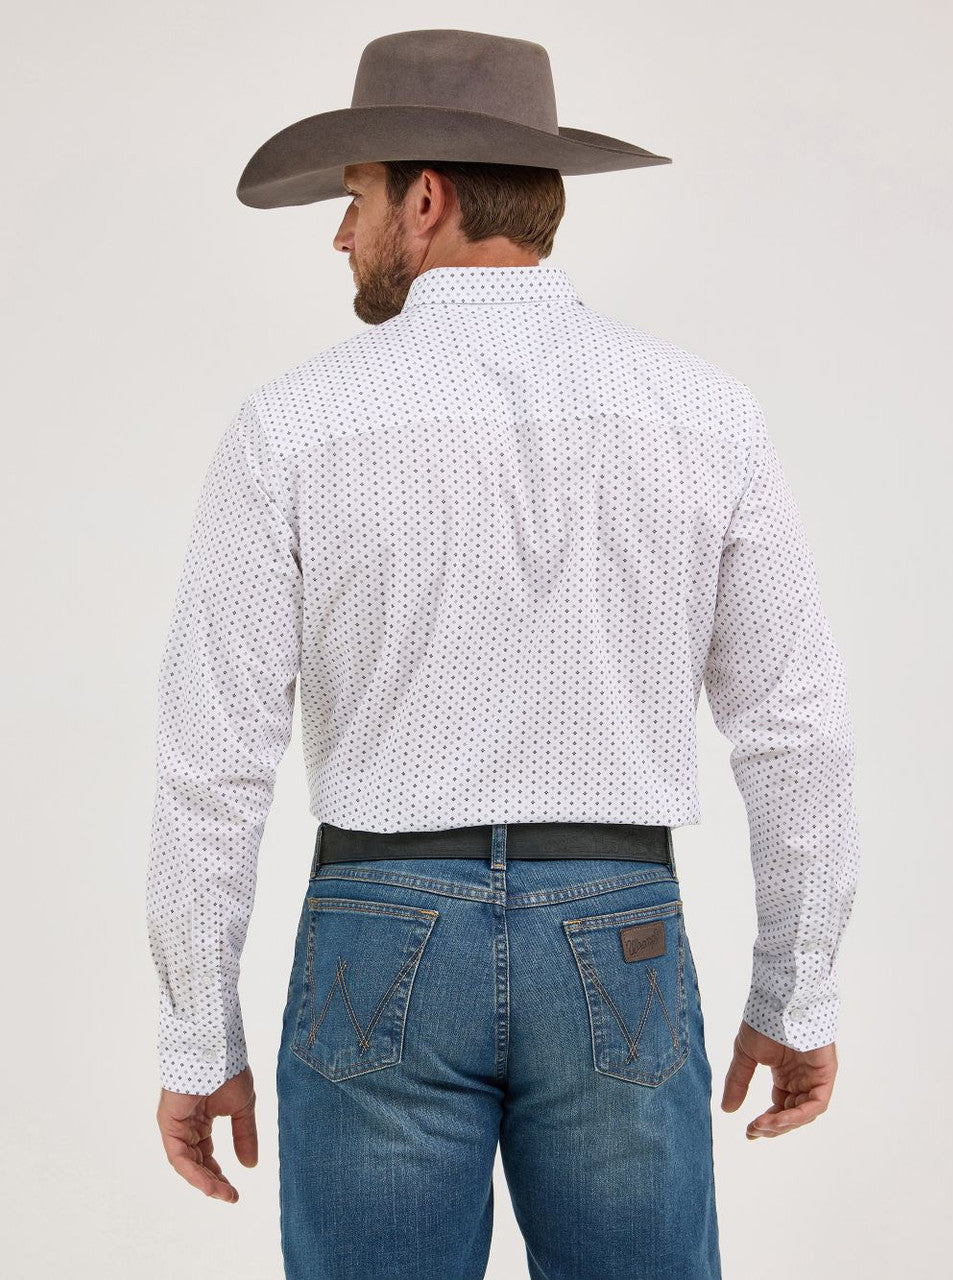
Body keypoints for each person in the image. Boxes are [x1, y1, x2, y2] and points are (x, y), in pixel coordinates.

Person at [146, 28, 860, 1280]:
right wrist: (796, 993)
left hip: (378, 927)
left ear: (425, 200)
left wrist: (197, 1035)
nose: (340, 234)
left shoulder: (294, 426)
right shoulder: (705, 414)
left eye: (355, 197)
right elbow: (798, 728)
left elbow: (213, 761)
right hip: (618, 925)